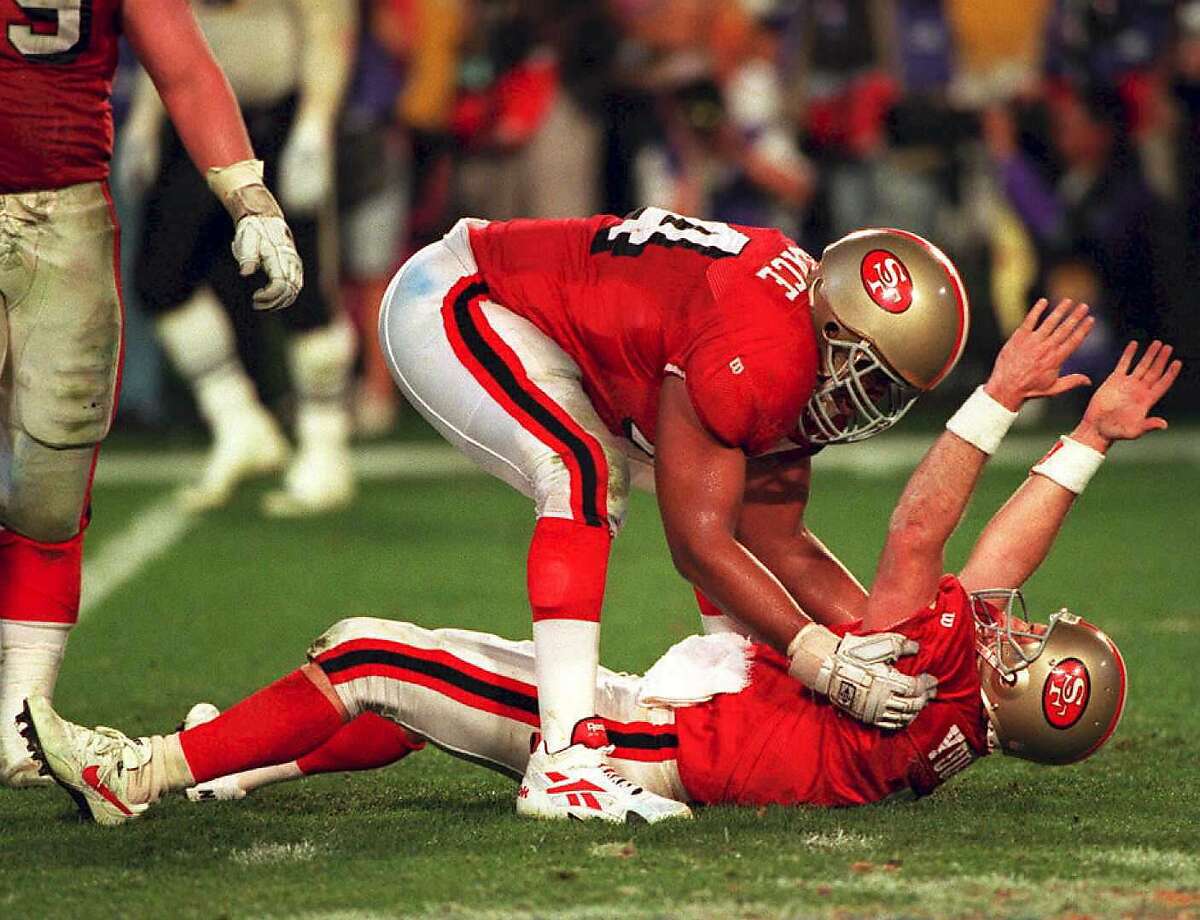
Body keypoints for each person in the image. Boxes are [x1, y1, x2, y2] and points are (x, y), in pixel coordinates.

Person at [19, 303, 1179, 824]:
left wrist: (996, 398)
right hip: (683, 719)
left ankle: (150, 769)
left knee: (369, 652)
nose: (1020, 624)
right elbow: (982, 573)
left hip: (646, 741)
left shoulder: (928, 672)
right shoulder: (963, 697)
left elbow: (924, 538)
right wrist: (1081, 441)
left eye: (1036, 645)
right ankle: (239, 768)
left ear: (1026, 693)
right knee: (407, 681)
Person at [372, 207, 971, 821]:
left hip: (559, 339)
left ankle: (729, 708)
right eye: (870, 379)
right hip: (462, 296)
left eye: (889, 394)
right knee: (584, 472)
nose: (865, 404)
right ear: (834, 328)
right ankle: (564, 761)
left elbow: (779, 543)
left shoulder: (796, 338)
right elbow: (697, 545)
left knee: (700, 505)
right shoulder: (763, 344)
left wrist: (887, 646)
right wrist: (819, 655)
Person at [0, 0, 303, 788]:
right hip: (55, 216)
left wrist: (249, 196)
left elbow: (185, 66)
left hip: (60, 215)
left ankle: (18, 718)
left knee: (50, 483)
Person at [118, 0, 357, 516]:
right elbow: (168, 41)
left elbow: (328, 30)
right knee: (160, 280)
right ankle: (238, 422)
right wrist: (142, 123)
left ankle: (325, 445)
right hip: (195, 132)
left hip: (275, 123)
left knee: (302, 288)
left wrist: (314, 127)